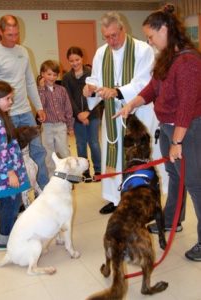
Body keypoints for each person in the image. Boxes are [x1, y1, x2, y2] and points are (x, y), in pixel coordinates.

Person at [114, 4, 201, 261]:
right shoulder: (167, 58)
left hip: (187, 131)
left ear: (165, 29)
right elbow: (153, 88)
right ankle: (173, 220)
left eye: (151, 36)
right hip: (169, 129)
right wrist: (132, 103)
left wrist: (178, 141)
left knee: (196, 184)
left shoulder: (187, 62)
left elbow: (186, 106)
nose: (149, 41)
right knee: (175, 177)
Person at [83, 11, 167, 213]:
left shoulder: (142, 50)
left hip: (139, 112)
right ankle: (115, 198)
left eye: (114, 35)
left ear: (123, 29)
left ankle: (140, 198)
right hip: (112, 115)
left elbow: (144, 82)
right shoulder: (101, 53)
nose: (111, 41)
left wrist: (119, 92)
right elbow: (95, 78)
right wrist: (90, 89)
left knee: (138, 154)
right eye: (107, 37)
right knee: (114, 151)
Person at [0, 15, 49, 190]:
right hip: (5, 115)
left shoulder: (23, 52)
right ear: (0, 32)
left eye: (16, 34)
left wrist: (39, 107)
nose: (14, 38)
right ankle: (17, 195)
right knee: (12, 156)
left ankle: (44, 190)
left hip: (25, 111)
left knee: (38, 150)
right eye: (10, 34)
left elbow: (30, 82)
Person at [0, 81, 30, 250]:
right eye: (8, 98)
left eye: (11, 98)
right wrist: (11, 173)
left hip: (5, 169)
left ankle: (11, 233)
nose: (11, 101)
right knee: (9, 204)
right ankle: (3, 241)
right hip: (6, 171)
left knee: (11, 202)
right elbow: (2, 151)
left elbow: (0, 145)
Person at [62, 46, 101, 182]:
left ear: (82, 58)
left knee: (94, 143)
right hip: (77, 117)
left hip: (93, 114)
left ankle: (98, 170)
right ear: (68, 61)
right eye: (71, 60)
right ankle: (84, 171)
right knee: (80, 144)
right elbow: (68, 98)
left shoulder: (91, 74)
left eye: (77, 59)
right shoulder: (66, 77)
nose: (75, 63)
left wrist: (88, 113)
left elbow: (97, 96)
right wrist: (78, 114)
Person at [38, 60, 74, 178]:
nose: (52, 77)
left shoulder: (61, 90)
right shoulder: (39, 91)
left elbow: (68, 108)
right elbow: (40, 106)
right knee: (49, 153)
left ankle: (68, 176)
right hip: (47, 127)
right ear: (42, 74)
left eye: (55, 74)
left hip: (60, 126)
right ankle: (52, 178)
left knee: (64, 151)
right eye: (49, 74)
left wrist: (70, 126)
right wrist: (42, 89)